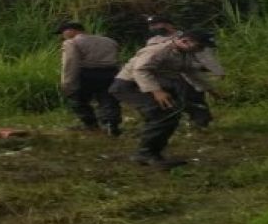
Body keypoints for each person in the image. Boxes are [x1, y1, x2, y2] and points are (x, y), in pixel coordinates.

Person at [110, 31, 221, 169]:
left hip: (149, 86)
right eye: (200, 46)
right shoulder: (159, 50)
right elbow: (141, 70)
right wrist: (157, 92)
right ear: (185, 41)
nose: (201, 49)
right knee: (161, 115)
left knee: (171, 115)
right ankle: (145, 153)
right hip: (129, 86)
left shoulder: (184, 53)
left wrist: (210, 90)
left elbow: (189, 71)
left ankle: (152, 153)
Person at [56, 22, 122, 136]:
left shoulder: (71, 42)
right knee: (108, 100)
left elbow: (71, 63)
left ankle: (91, 125)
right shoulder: (109, 41)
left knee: (78, 100)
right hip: (110, 72)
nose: (62, 36)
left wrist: (67, 83)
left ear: (71, 30)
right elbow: (117, 58)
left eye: (63, 32)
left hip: (87, 73)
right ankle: (111, 125)